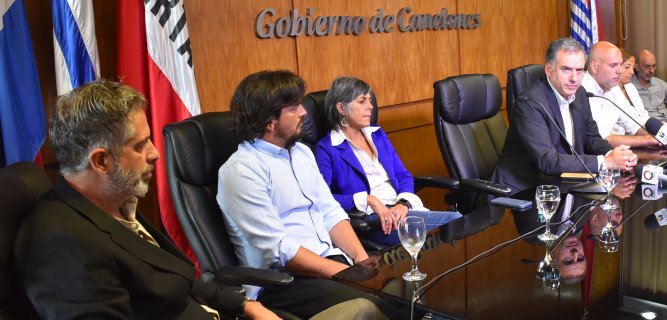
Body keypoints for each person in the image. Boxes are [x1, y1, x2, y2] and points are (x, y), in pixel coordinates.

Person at [14, 80, 278, 319]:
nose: (155, 153)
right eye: (140, 145)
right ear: (101, 161)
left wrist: (246, 306)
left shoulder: (112, 201)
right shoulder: (63, 247)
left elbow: (176, 280)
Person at [217, 70, 402, 319]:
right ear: (269, 122)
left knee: (405, 287)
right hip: (283, 281)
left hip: (330, 263)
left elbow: (330, 212)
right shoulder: (241, 171)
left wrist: (361, 261)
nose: (304, 112)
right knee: (371, 306)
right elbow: (281, 250)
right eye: (294, 108)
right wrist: (344, 273)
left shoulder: (302, 153)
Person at [315, 77, 462, 246]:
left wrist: (403, 203)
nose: (370, 106)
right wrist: (368, 200)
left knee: (455, 226)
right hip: (373, 221)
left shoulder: (376, 134)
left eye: (369, 100)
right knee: (454, 222)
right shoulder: (327, 148)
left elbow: (403, 175)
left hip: (402, 210)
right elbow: (322, 199)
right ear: (341, 108)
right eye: (362, 101)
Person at [492, 37, 638, 194]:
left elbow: (592, 137)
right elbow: (548, 161)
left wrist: (615, 155)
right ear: (549, 70)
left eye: (579, 70)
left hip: (563, 184)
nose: (574, 78)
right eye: (566, 69)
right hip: (522, 191)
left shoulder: (580, 93)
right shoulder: (530, 103)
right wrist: (605, 162)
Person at [582, 41, 661, 148]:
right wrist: (647, 139)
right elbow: (601, 138)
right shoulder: (582, 90)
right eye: (613, 65)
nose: (619, 70)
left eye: (620, 65)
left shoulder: (613, 88)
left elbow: (634, 124)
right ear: (594, 67)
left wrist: (662, 133)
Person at [613, 48, 649, 134]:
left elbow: (643, 114)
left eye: (633, 68)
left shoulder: (630, 87)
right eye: (627, 67)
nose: (632, 72)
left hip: (642, 130)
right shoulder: (610, 91)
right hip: (623, 137)